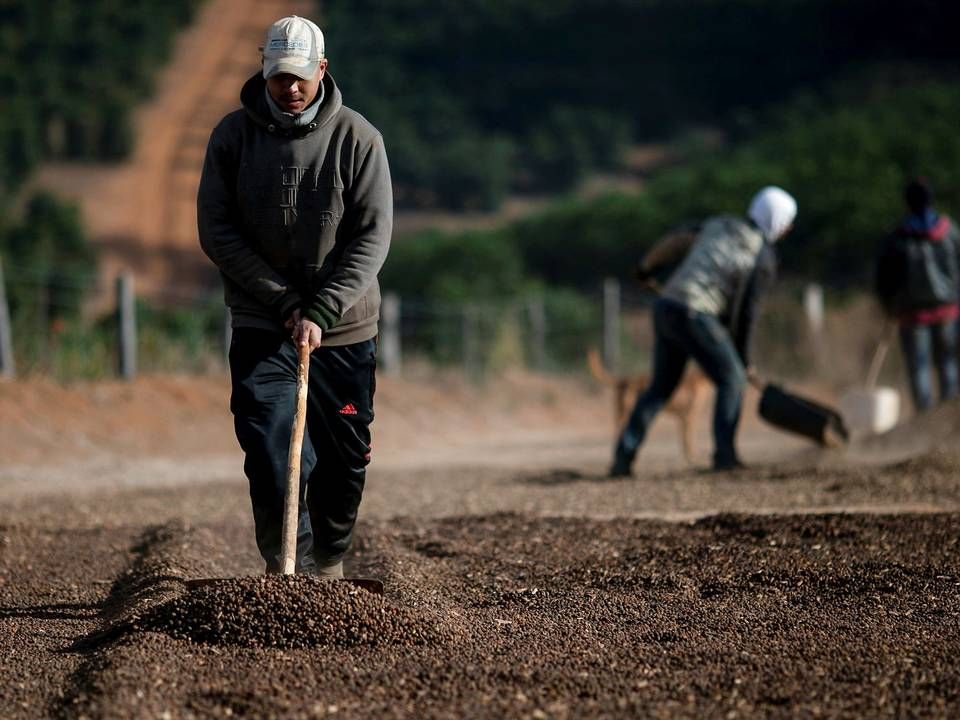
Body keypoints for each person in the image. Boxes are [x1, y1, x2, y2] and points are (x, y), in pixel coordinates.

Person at [198, 15, 392, 577]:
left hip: (346, 325)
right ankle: (291, 563)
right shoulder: (232, 138)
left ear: (322, 70)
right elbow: (217, 231)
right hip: (264, 319)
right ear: (264, 71)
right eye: (279, 76)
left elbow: (372, 235)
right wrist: (283, 303)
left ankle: (327, 556)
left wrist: (323, 308)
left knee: (345, 459)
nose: (289, 88)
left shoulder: (359, 139)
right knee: (269, 443)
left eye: (300, 77)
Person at [609, 186, 797, 476]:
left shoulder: (718, 224)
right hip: (694, 313)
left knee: (660, 387)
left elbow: (673, 241)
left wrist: (645, 268)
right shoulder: (763, 256)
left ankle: (623, 457)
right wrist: (743, 360)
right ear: (780, 222)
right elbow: (747, 313)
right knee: (732, 379)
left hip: (666, 306)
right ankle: (725, 457)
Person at [875, 178, 960, 412]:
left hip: (912, 315)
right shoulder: (949, 230)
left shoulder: (898, 237)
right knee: (948, 364)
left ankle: (925, 422)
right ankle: (949, 417)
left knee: (919, 368)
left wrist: (888, 306)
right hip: (948, 310)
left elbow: (884, 278)